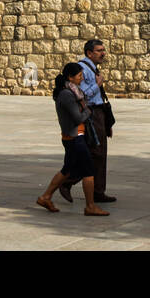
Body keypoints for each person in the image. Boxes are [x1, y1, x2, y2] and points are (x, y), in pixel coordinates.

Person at [37, 63, 109, 216]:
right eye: (79, 76)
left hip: (73, 137)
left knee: (67, 170)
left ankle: (45, 197)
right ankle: (90, 206)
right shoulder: (67, 95)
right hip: (75, 137)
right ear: (70, 77)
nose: (81, 79)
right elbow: (77, 118)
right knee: (89, 171)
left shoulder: (72, 92)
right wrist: (88, 111)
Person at [58, 39, 115, 203]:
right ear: (89, 53)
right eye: (99, 50)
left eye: (103, 50)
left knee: (98, 153)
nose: (103, 53)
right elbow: (80, 94)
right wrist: (97, 85)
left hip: (98, 113)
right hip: (91, 113)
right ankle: (69, 182)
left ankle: (97, 190)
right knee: (96, 153)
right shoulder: (83, 68)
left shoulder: (91, 67)